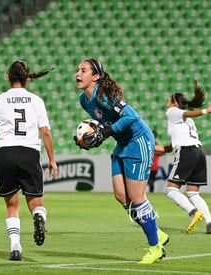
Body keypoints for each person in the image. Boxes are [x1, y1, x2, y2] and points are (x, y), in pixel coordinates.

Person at [73, 59, 169, 264]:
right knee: (121, 196)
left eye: (83, 70)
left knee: (137, 197)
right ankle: (157, 233)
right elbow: (106, 122)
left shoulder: (103, 94)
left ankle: (155, 248)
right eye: (77, 70)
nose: (77, 73)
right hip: (122, 144)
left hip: (138, 141)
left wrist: (107, 131)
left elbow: (131, 117)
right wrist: (92, 137)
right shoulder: (84, 100)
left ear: (96, 76)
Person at [0, 60, 58, 261]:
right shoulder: (36, 101)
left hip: (5, 152)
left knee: (12, 206)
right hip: (29, 152)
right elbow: (45, 132)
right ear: (27, 79)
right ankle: (39, 217)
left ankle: (15, 247)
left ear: (8, 77)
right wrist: (52, 160)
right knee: (35, 200)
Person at [160, 80, 211, 235]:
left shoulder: (173, 112)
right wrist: (155, 148)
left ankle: (193, 212)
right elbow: (172, 145)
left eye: (169, 100)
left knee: (170, 190)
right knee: (193, 193)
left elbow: (187, 113)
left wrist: (208, 110)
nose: (167, 103)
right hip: (199, 152)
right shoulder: (188, 123)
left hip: (186, 152)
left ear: (174, 103)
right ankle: (210, 223)